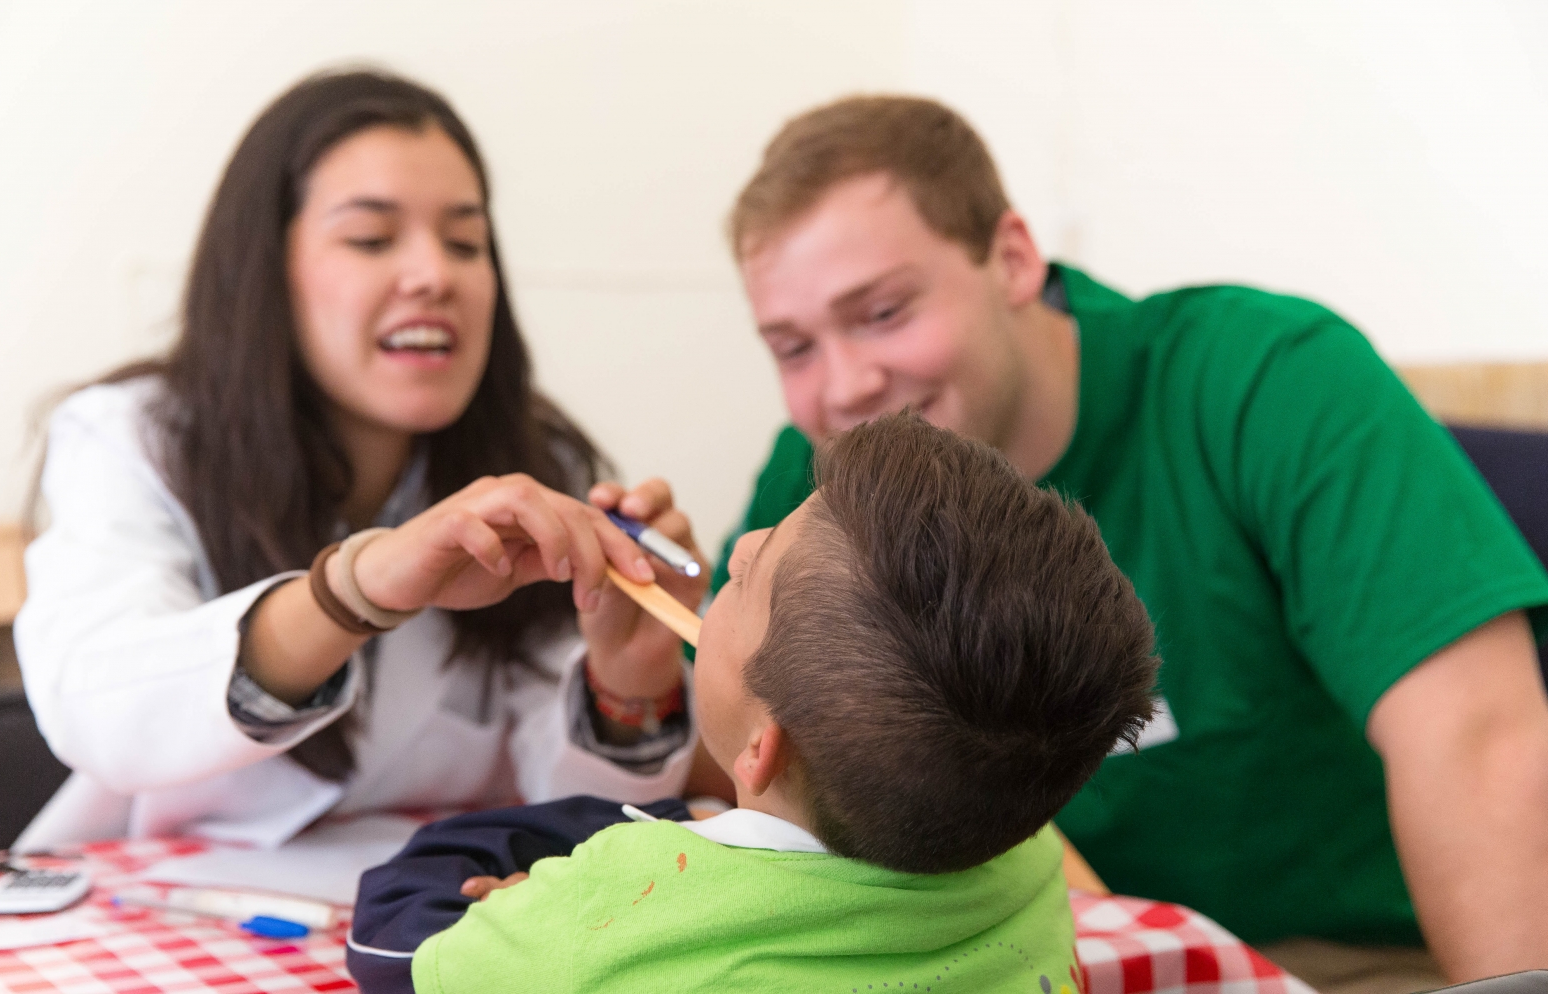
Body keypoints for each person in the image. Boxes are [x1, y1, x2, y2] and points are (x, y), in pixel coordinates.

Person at [714, 95, 1548, 991]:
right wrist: (630, 680)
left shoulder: (1266, 381)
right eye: (792, 347)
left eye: (883, 313)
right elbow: (743, 744)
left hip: (1344, 965)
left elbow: (1482, 748)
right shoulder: (818, 474)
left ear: (1011, 259)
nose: (846, 384)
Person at [12, 70, 703, 848]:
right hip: (163, 903)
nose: (435, 275)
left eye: (466, 242)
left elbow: (574, 818)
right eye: (372, 239)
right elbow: (100, 704)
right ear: (266, 273)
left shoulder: (539, 470)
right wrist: (358, 588)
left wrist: (628, 678)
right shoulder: (132, 438)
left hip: (425, 924)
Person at [348, 412, 1160, 994]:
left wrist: (569, 885)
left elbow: (391, 940)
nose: (733, 547)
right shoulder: (1022, 855)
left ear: (763, 747)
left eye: (748, 574)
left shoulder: (616, 923)